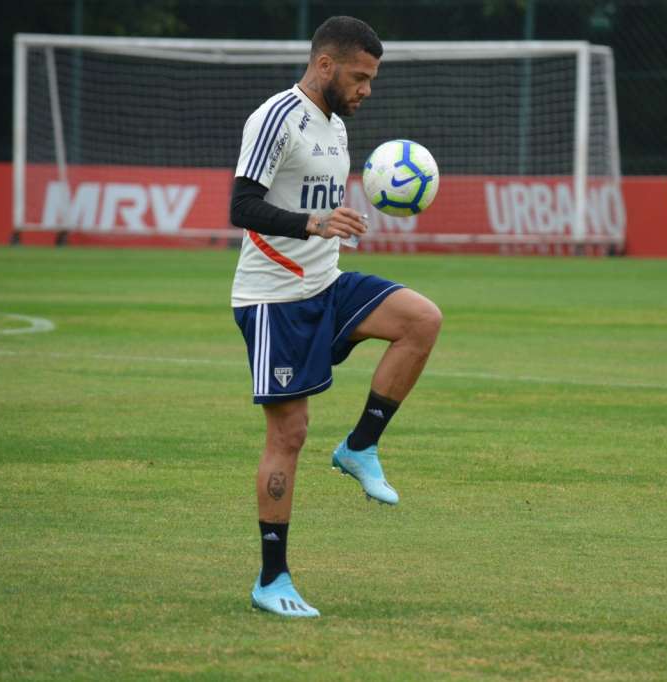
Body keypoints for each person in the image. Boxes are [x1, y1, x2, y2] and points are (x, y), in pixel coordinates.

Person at [228, 16, 442, 618]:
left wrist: (332, 222)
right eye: (360, 76)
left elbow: (315, 203)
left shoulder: (336, 127)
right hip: (275, 300)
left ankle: (360, 447)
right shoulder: (276, 116)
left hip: (327, 284)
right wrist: (313, 224)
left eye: (371, 79)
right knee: (288, 435)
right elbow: (241, 205)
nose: (366, 89)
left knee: (421, 320)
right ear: (326, 65)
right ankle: (272, 579)